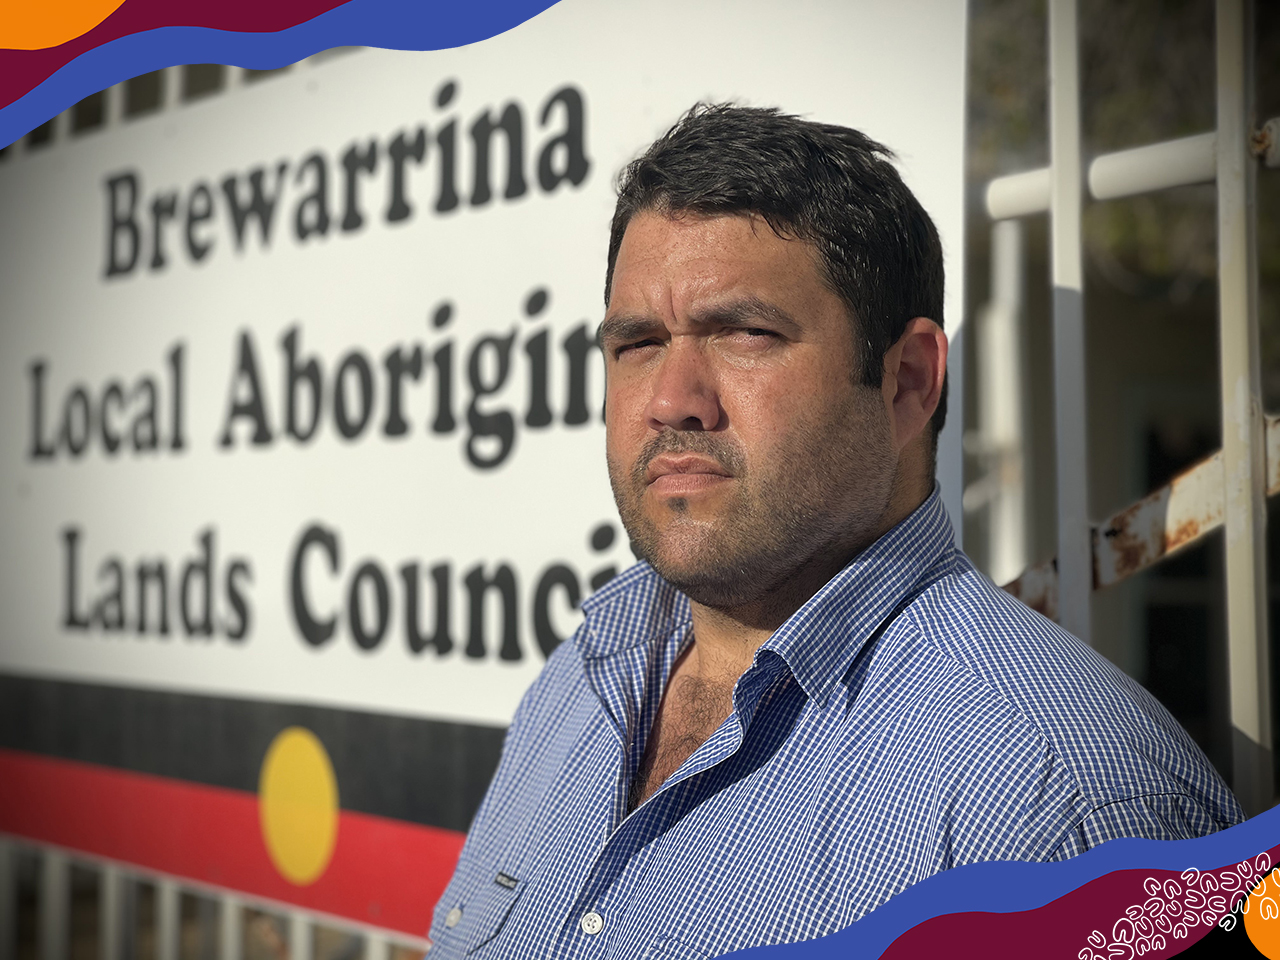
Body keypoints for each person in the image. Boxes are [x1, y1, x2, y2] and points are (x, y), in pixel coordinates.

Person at [427, 104, 1242, 959]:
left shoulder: (1066, 807)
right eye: (636, 343)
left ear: (908, 382)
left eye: (745, 333)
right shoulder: (580, 683)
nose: (671, 400)